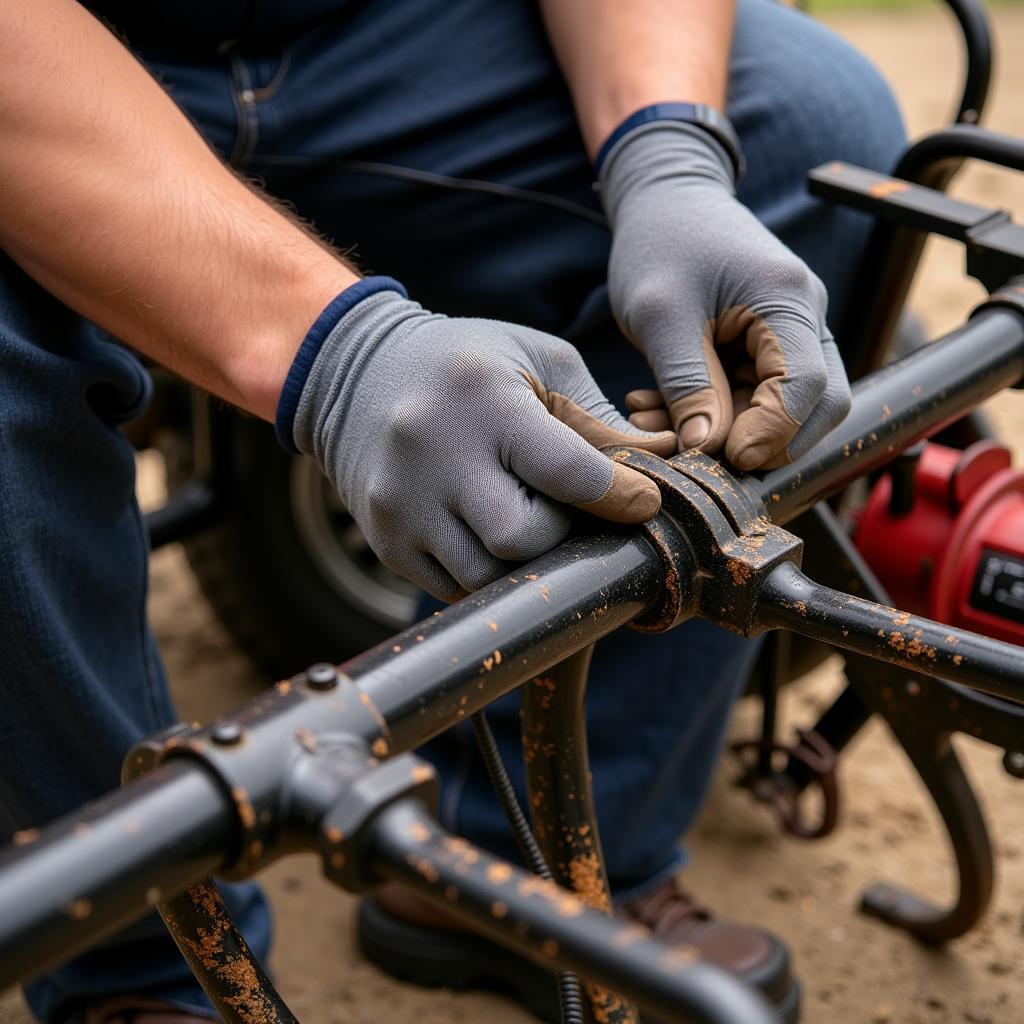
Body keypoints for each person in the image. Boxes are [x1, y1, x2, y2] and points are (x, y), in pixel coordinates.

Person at [0, 1, 906, 1022]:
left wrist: (668, 154)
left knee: (814, 122)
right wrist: (339, 355)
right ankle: (134, 959)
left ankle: (520, 844)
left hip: (377, 28)